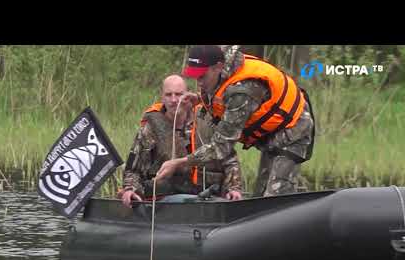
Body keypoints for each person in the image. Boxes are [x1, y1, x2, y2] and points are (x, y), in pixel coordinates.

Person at [155, 45, 315, 197]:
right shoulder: (221, 73)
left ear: (217, 67)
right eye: (195, 76)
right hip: (270, 133)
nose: (199, 82)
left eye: (202, 76)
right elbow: (222, 96)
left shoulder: (242, 91)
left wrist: (180, 162)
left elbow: (221, 147)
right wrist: (198, 98)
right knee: (260, 194)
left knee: (275, 197)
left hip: (294, 130)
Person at [119, 74, 243, 208]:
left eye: (178, 94)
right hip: (168, 202)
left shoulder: (207, 120)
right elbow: (133, 170)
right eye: (168, 95)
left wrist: (233, 188)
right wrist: (130, 190)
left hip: (210, 198)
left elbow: (229, 158)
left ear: (188, 95)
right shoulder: (150, 128)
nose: (173, 100)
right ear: (162, 97)